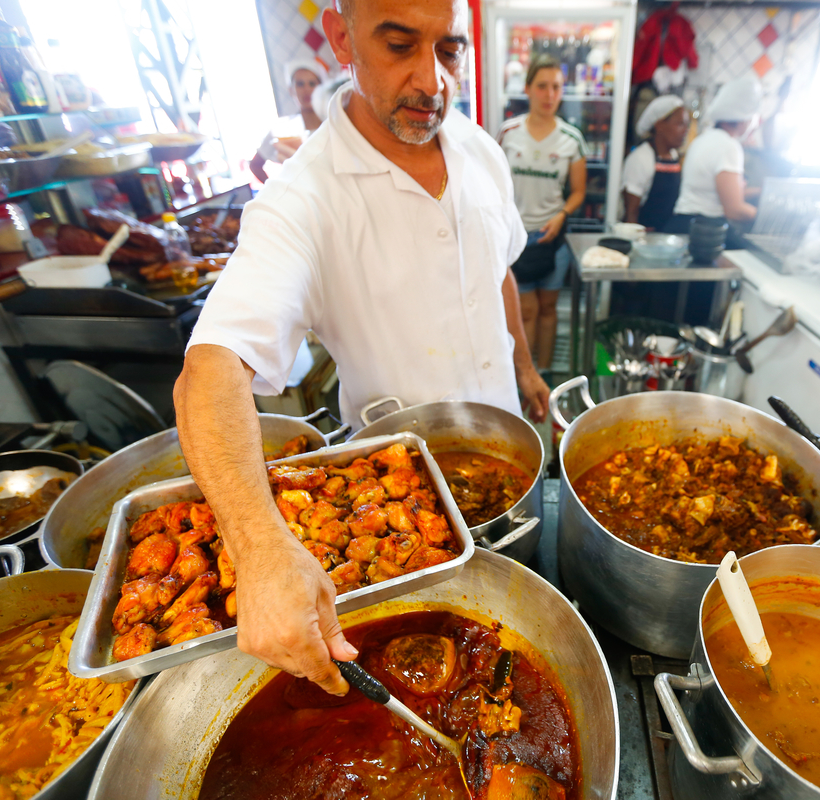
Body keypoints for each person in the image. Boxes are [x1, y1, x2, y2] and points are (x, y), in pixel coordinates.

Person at [174, 0, 550, 696]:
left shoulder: (479, 150)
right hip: (401, 516)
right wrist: (258, 551)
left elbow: (500, 267)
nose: (431, 80)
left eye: (449, 50)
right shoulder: (301, 200)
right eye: (400, 44)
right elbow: (210, 369)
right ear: (341, 38)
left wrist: (526, 366)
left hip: (514, 468)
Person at [496, 55, 587, 372]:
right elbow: (492, 184)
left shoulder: (571, 139)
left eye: (557, 87)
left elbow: (578, 191)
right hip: (515, 239)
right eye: (542, 86)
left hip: (552, 238)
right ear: (528, 89)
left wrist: (562, 214)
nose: (550, 95)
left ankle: (546, 374)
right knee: (526, 310)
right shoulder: (508, 133)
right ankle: (527, 377)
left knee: (548, 307)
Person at [667, 74, 762, 242]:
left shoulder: (703, 139)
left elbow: (714, 192)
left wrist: (761, 193)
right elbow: (734, 209)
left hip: (681, 223)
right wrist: (767, 217)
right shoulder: (729, 146)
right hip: (705, 230)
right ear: (743, 119)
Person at [250, 59, 327, 184]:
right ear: (291, 89)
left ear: (320, 88)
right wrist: (276, 190)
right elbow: (255, 165)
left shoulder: (333, 123)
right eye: (300, 84)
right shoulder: (284, 130)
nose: (306, 89)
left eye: (312, 83)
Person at [621, 94, 688, 231]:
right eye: (680, 124)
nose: (685, 131)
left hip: (666, 236)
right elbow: (631, 213)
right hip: (645, 238)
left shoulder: (674, 156)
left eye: (687, 125)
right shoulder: (640, 158)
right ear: (659, 125)